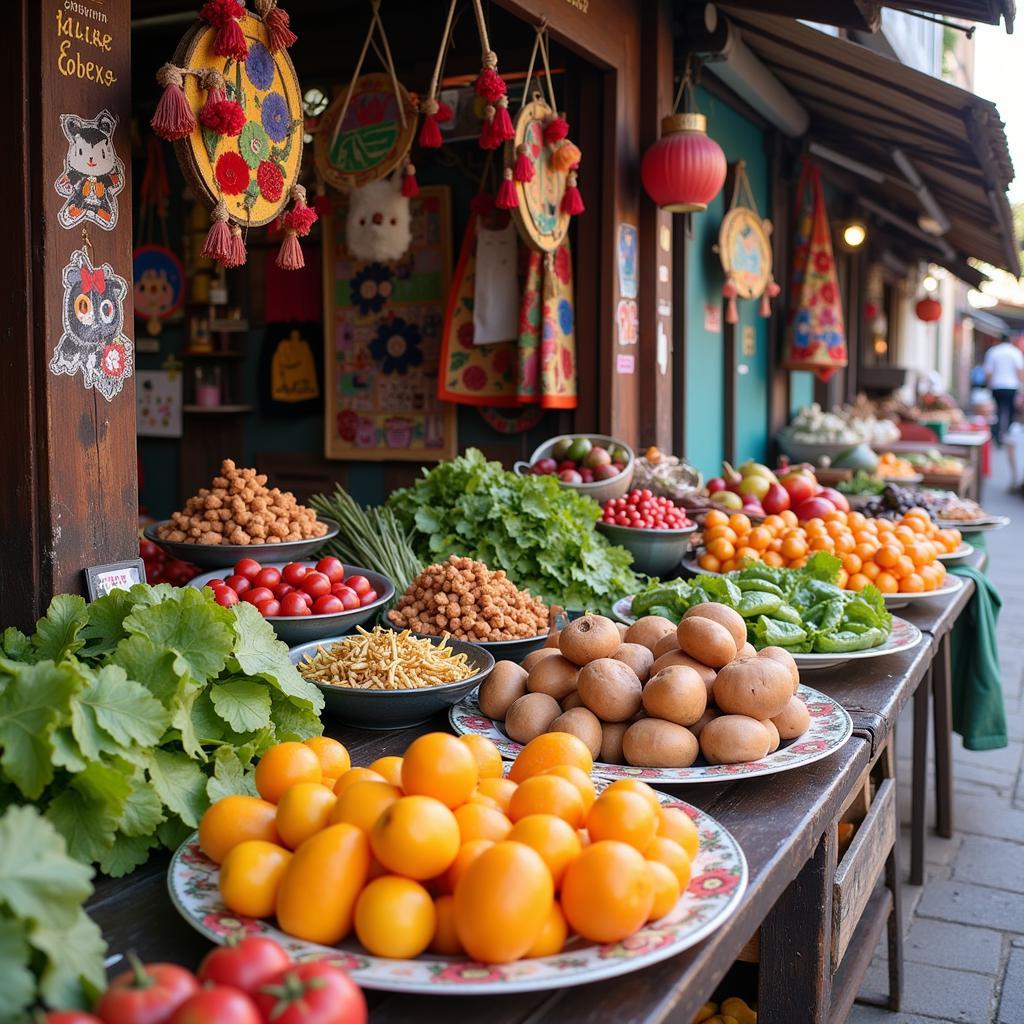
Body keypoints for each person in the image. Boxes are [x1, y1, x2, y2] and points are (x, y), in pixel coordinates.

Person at [983, 334, 1024, 445]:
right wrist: (1021, 386)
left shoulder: (993, 351)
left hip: (997, 386)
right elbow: (1020, 371)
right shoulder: (1015, 352)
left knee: (997, 411)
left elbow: (988, 372)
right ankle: (1008, 435)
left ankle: (997, 436)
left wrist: (989, 385)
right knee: (1010, 411)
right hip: (1011, 386)